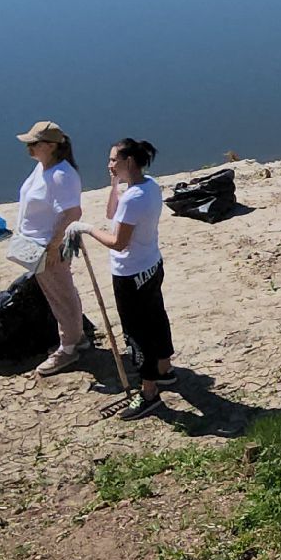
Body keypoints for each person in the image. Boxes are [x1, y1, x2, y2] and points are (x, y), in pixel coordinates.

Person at [66, 138, 172, 421]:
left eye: (114, 160)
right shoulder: (148, 187)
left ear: (129, 161)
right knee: (157, 318)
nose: (109, 164)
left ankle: (149, 392)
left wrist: (85, 228)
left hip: (131, 275)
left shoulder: (135, 198)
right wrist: (114, 184)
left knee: (138, 333)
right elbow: (113, 213)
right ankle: (164, 370)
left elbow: (118, 242)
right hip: (151, 266)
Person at [14, 121, 88, 376]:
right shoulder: (42, 168)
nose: (29, 148)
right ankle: (76, 336)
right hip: (36, 245)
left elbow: (72, 213)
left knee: (61, 295)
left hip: (49, 247)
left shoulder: (61, 175)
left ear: (51, 146)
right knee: (59, 291)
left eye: (34, 144)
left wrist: (53, 246)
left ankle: (68, 349)